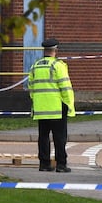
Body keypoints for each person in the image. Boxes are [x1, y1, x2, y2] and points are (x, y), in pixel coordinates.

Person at [28, 38, 76, 172]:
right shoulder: (58, 65)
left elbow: (31, 87)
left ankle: (44, 164)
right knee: (59, 137)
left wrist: (37, 103)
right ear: (55, 50)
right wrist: (69, 105)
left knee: (43, 137)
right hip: (57, 108)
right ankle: (61, 164)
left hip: (41, 109)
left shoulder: (35, 66)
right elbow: (65, 87)